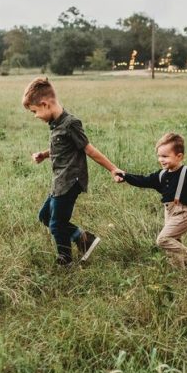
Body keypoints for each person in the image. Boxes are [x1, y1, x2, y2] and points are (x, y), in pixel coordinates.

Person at [22, 77, 121, 266]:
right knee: (45, 216)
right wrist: (44, 154)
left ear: (45, 104)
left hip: (70, 181)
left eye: (34, 111)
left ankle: (65, 260)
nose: (35, 116)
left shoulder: (70, 123)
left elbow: (89, 149)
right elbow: (62, 148)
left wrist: (113, 169)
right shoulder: (56, 124)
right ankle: (83, 239)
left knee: (57, 224)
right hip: (59, 181)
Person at [116, 132, 187, 273]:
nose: (161, 159)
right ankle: (180, 274)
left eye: (165, 156)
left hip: (183, 213)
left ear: (179, 156)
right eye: (159, 156)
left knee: (163, 240)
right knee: (174, 246)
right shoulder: (161, 175)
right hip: (169, 213)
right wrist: (125, 176)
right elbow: (143, 180)